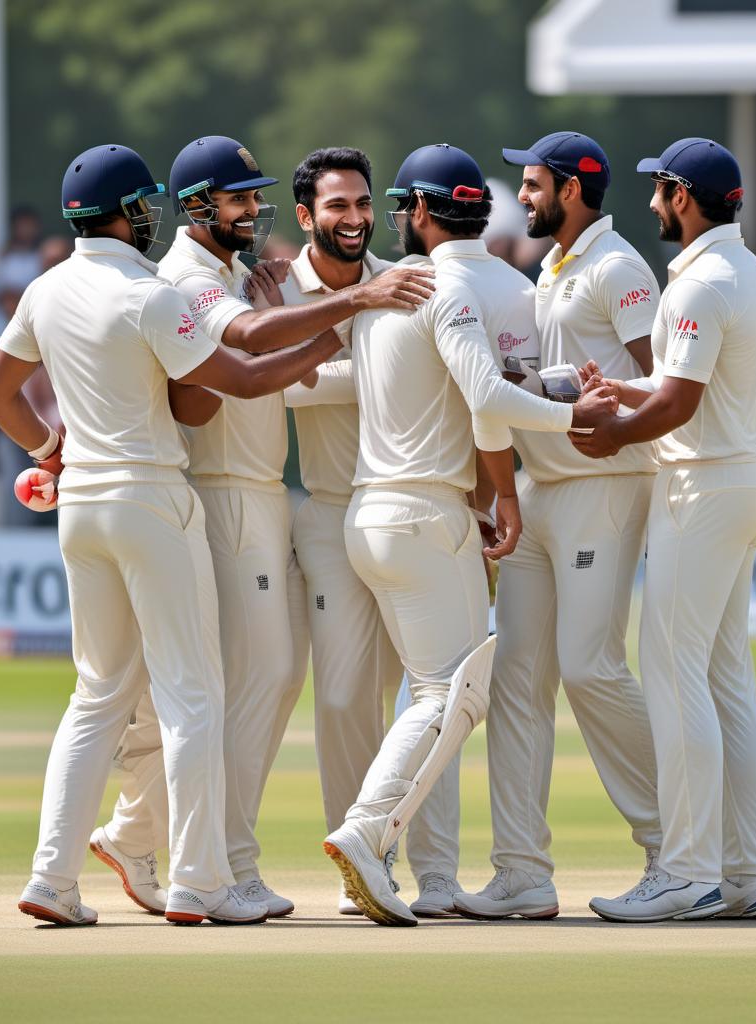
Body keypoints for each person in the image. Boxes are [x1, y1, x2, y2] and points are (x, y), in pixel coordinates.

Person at [0, 143, 382, 927]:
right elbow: (243, 381)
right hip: (154, 498)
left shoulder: (47, 287)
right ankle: (203, 880)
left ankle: (53, 879)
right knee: (195, 695)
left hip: (82, 504)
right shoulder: (153, 293)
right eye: (143, 207)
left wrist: (50, 451)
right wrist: (347, 319)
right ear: (132, 213)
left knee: (97, 696)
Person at [89, 137, 436, 919]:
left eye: (255, 196)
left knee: (239, 684)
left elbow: (261, 334)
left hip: (255, 494)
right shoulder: (185, 278)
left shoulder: (232, 271)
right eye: (241, 197)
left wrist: (277, 296)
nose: (254, 209)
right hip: (220, 494)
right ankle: (221, 865)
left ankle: (142, 836)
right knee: (248, 680)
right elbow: (246, 348)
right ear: (201, 204)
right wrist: (348, 307)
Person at [321, 143, 615, 926]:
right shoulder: (458, 289)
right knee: (450, 696)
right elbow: (488, 396)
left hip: (368, 513)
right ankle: (365, 829)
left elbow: (349, 385)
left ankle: (434, 876)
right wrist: (566, 417)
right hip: (427, 516)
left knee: (434, 694)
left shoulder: (385, 292)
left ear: (417, 212)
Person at [571, 138, 756, 922]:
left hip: (702, 487)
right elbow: (680, 386)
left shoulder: (702, 284)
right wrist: (624, 392)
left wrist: (610, 433)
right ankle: (746, 872)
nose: (653, 205)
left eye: (659, 192)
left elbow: (681, 406)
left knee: (671, 670)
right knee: (725, 678)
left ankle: (688, 872)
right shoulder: (745, 271)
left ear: (682, 196)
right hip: (736, 479)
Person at [453, 132, 662, 922]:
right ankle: (521, 872)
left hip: (603, 486)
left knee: (590, 667)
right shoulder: (552, 268)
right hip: (541, 491)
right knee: (517, 681)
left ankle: (677, 848)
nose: (526, 196)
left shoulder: (619, 268)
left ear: (573, 189)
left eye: (535, 184)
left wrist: (568, 388)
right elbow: (561, 376)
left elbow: (658, 381)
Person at [273, 147, 459, 917]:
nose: (352, 220)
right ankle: (362, 859)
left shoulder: (404, 279)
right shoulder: (279, 288)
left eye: (361, 204)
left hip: (409, 510)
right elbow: (277, 383)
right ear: (306, 216)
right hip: (328, 511)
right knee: (347, 696)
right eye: (336, 206)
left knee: (430, 700)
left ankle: (439, 874)